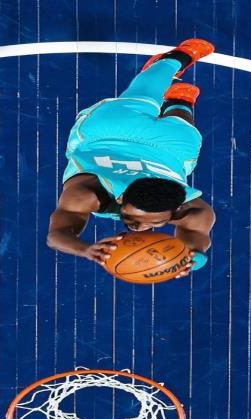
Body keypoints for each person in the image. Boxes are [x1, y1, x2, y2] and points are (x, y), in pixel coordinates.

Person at [47, 39, 216, 279]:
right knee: (169, 117)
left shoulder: (195, 211)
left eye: (154, 224)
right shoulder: (86, 193)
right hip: (111, 133)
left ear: (177, 209)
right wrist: (83, 249)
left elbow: (196, 241)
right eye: (131, 218)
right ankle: (175, 65)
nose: (139, 227)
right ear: (121, 197)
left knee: (165, 117)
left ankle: (174, 90)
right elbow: (56, 235)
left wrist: (189, 259)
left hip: (140, 140)